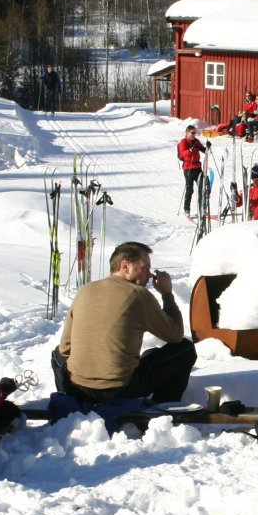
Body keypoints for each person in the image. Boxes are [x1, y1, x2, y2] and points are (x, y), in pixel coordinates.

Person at [52, 241, 196, 404]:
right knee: (185, 349)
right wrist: (167, 294)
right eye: (145, 268)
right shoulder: (138, 294)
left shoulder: (85, 290)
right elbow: (175, 335)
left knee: (56, 354)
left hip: (77, 389)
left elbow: (64, 349)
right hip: (118, 390)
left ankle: (71, 400)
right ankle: (161, 409)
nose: (149, 275)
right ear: (125, 266)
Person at [177, 124, 206, 217]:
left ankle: (202, 208)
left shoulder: (196, 141)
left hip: (198, 168)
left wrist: (207, 148)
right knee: (190, 189)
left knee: (202, 188)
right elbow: (182, 154)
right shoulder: (183, 142)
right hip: (188, 168)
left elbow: (203, 149)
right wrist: (190, 150)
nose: (194, 135)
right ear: (187, 132)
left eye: (195, 133)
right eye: (192, 133)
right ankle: (186, 209)